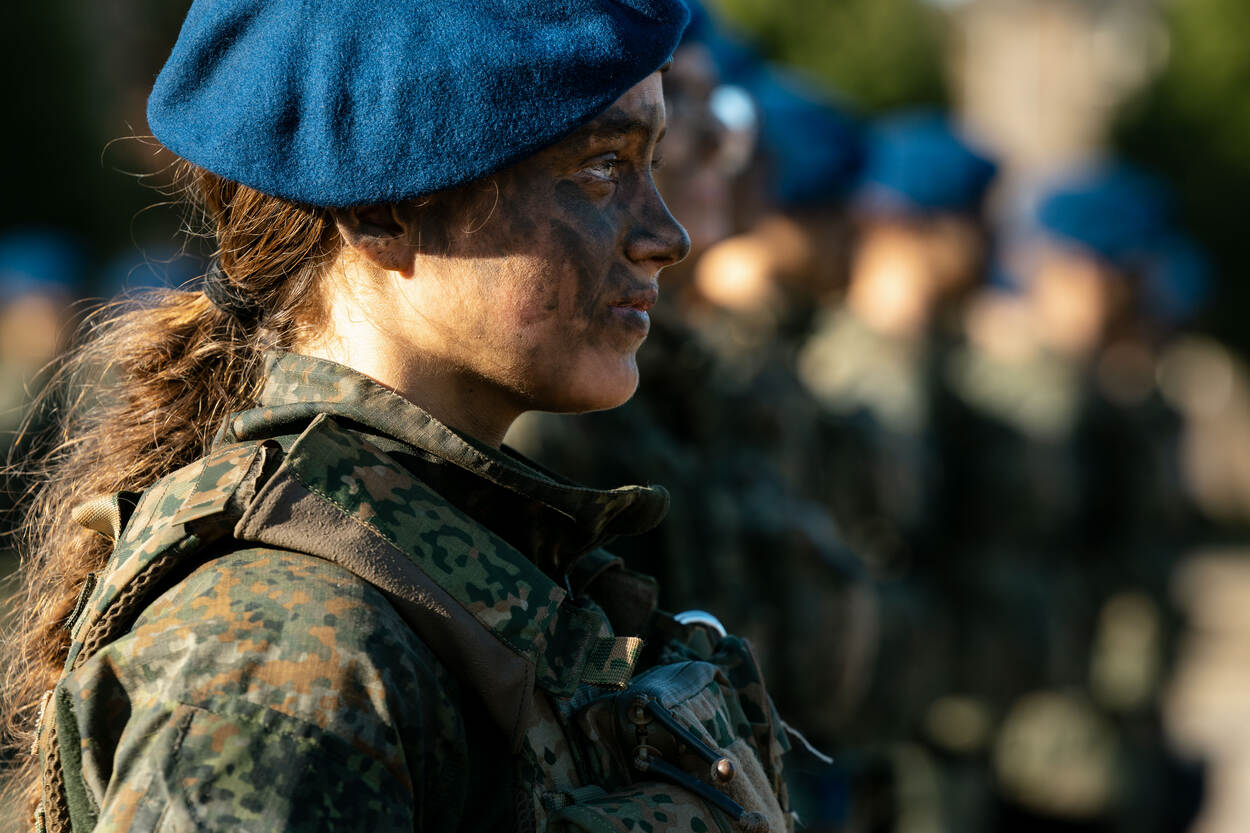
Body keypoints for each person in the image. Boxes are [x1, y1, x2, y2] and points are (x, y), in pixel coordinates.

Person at [0, 2, 800, 831]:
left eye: (652, 161)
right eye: (600, 167)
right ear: (381, 205)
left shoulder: (445, 561)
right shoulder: (282, 655)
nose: (664, 234)